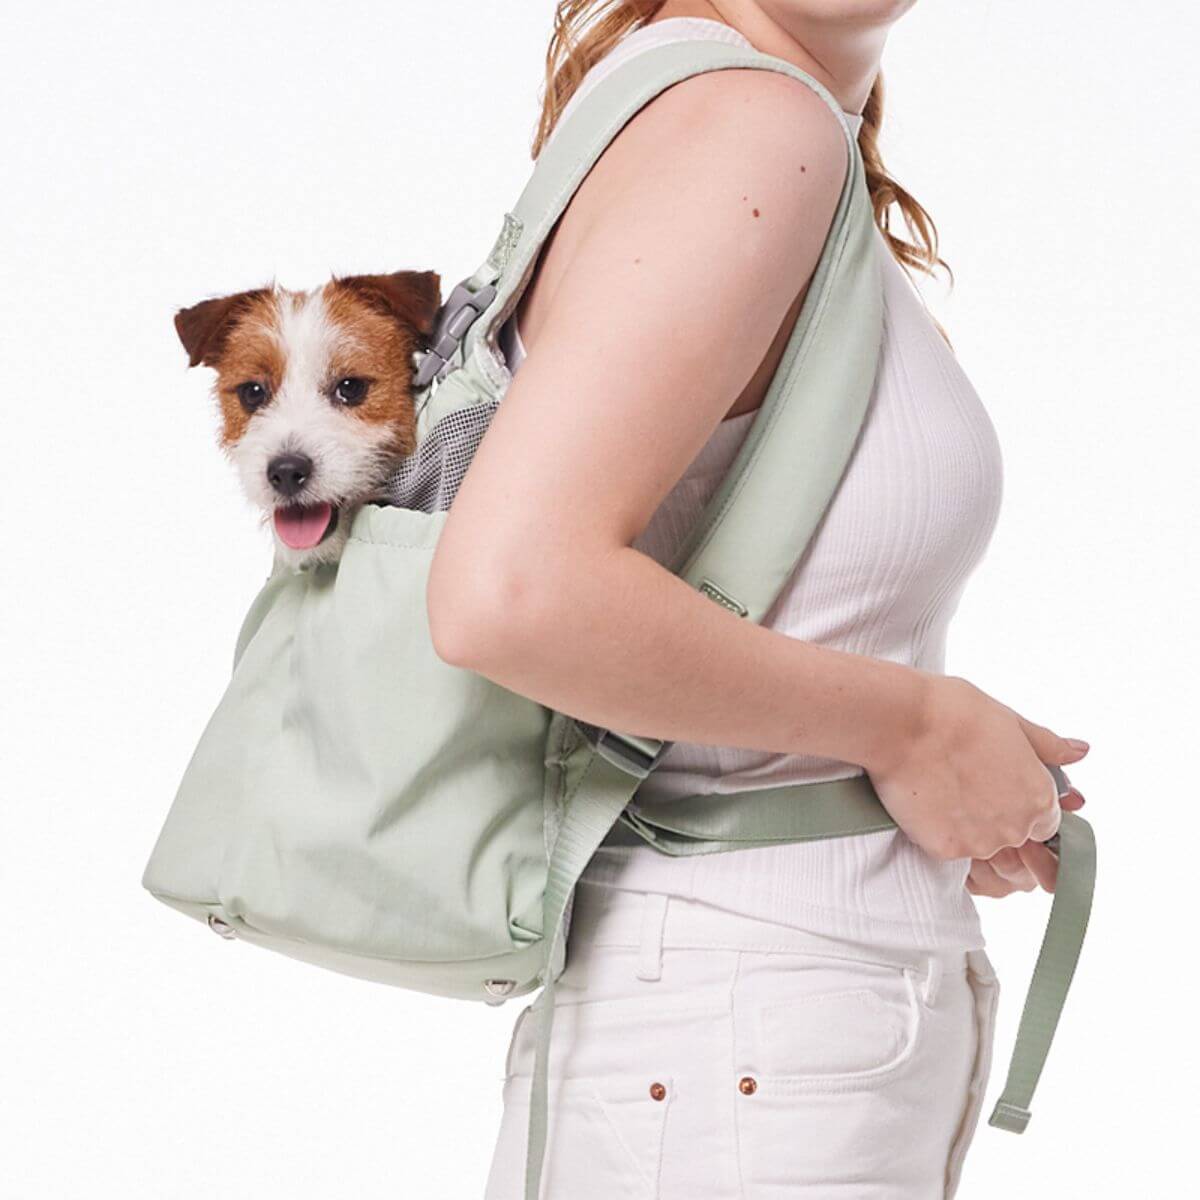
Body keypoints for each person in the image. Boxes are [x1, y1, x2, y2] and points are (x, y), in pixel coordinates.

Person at [427, 2, 1090, 1195]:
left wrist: (907, 781)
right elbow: (511, 592)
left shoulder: (743, 121)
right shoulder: (745, 122)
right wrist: (913, 727)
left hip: (734, 1029)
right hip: (742, 1036)